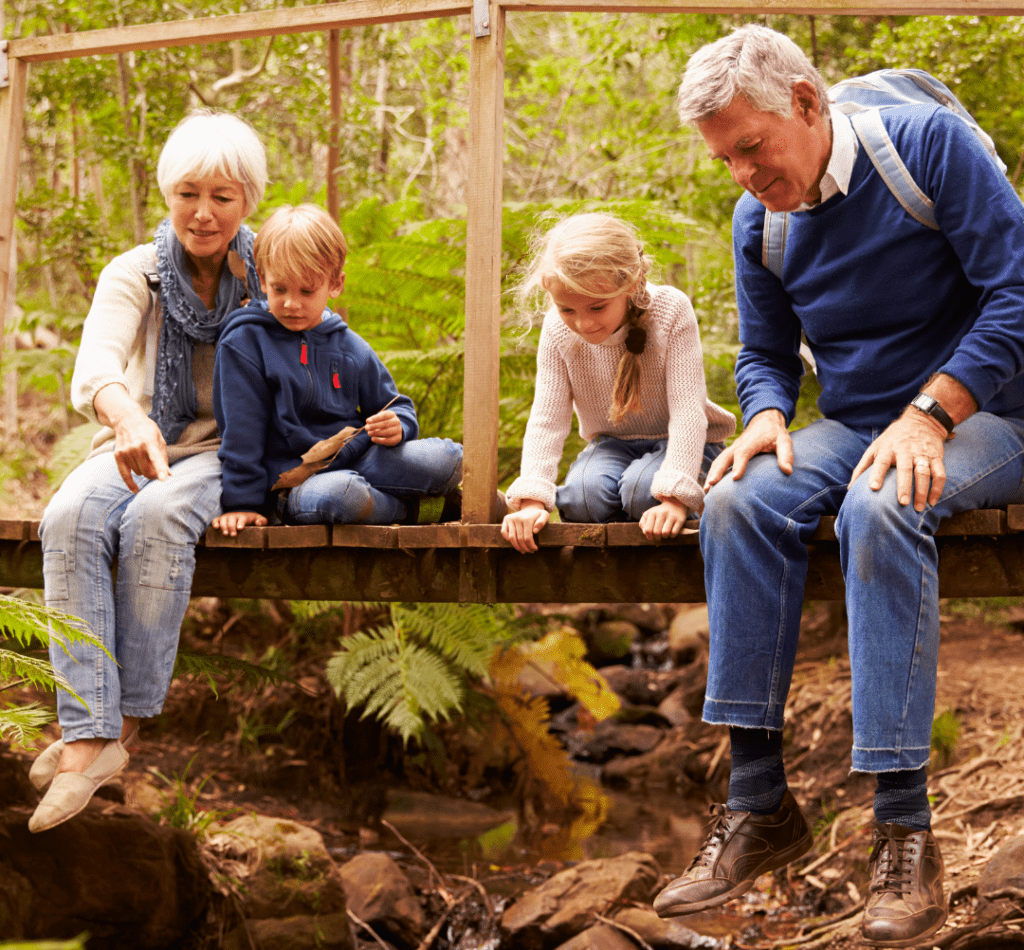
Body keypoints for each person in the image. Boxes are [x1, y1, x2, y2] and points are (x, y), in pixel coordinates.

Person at [652, 24, 1024, 948]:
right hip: (858, 423)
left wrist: (931, 414)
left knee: (885, 500)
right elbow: (767, 352)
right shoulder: (761, 218)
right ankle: (758, 802)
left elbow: (1018, 292)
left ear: (809, 105)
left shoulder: (929, 151)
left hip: (989, 416)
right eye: (725, 158)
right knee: (737, 499)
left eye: (752, 148)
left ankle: (904, 833)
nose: (743, 173)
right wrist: (770, 411)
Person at [29, 109, 269, 833]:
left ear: (246, 201)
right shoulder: (136, 271)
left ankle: (112, 735)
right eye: (187, 193)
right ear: (167, 193)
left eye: (222, 197)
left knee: (157, 517)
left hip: (237, 450)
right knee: (68, 516)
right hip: (143, 439)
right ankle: (88, 734)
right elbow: (96, 366)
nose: (202, 213)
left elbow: (317, 348)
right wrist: (127, 417)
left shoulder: (271, 269)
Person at [209, 203, 462, 536]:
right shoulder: (245, 343)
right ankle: (415, 508)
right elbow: (241, 434)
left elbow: (393, 404)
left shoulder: (348, 345)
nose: (291, 303)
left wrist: (398, 425)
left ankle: (405, 500)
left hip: (359, 457)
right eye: (280, 288)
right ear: (261, 277)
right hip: (297, 482)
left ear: (335, 283)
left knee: (449, 458)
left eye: (307, 290)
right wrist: (243, 503)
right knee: (342, 495)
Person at [500, 212, 735, 553]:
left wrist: (675, 498)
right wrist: (533, 500)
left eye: (597, 307)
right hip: (612, 444)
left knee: (645, 493)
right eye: (567, 309)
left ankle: (689, 490)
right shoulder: (556, 329)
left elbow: (688, 412)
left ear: (632, 282)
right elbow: (546, 420)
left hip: (683, 444)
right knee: (582, 500)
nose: (582, 323)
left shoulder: (670, 311)